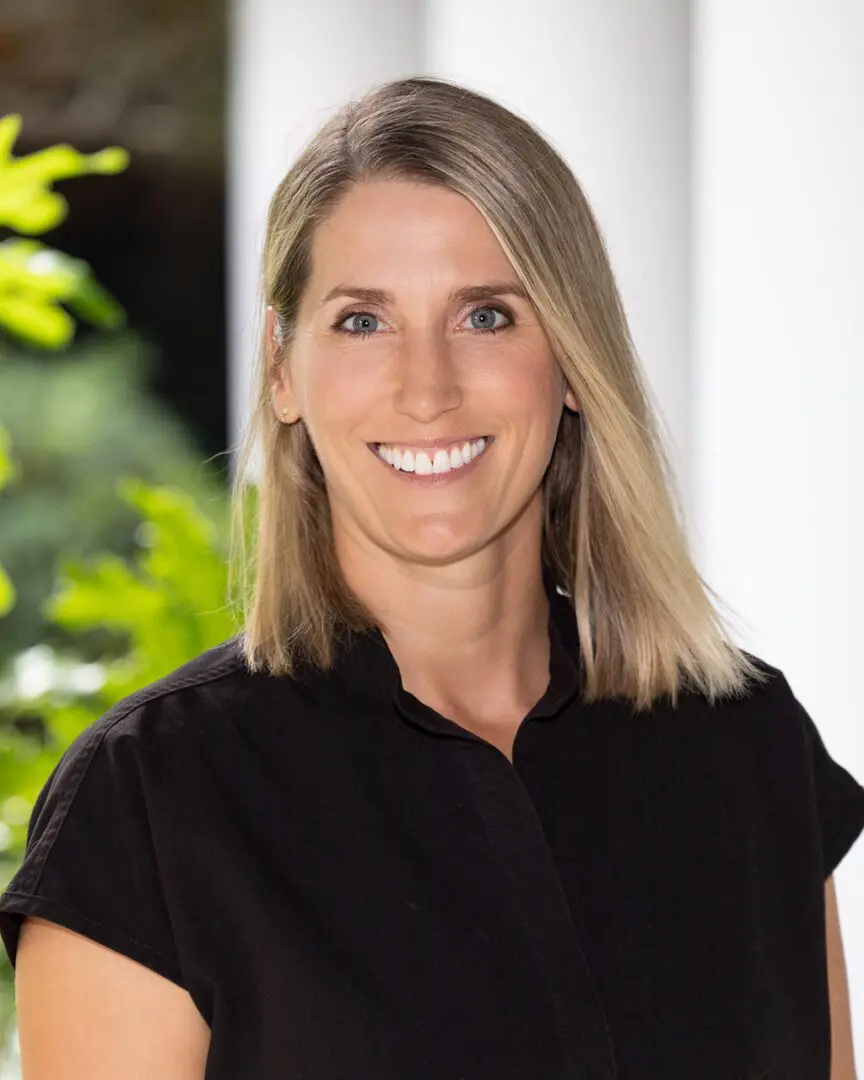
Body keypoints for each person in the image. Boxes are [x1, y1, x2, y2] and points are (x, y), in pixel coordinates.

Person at [1, 75, 862, 1080]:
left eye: (486, 316)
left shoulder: (745, 746)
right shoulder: (147, 804)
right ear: (283, 368)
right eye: (363, 320)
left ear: (574, 356)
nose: (426, 388)